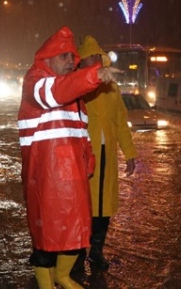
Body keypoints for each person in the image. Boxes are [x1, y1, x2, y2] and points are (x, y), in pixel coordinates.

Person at [17, 26, 121, 289]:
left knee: (76, 231)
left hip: (71, 176)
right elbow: (53, 93)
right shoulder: (35, 80)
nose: (69, 62)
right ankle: (47, 282)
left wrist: (88, 160)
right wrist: (92, 75)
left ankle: (62, 276)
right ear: (49, 57)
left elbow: (81, 130)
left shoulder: (74, 96)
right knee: (47, 236)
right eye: (64, 56)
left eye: (71, 57)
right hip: (45, 176)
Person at [74, 36, 137, 274]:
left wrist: (129, 154)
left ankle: (96, 251)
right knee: (84, 205)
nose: (93, 62)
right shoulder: (77, 86)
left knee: (103, 206)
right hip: (84, 154)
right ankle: (77, 253)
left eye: (96, 58)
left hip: (106, 155)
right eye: (88, 58)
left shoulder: (113, 88)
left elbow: (121, 123)